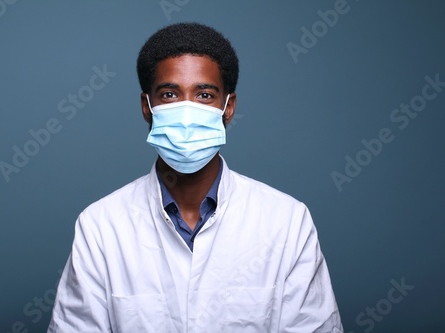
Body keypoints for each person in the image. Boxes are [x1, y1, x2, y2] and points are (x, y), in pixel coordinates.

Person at [48, 22, 343, 332]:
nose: (187, 113)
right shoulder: (100, 227)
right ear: (146, 107)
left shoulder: (287, 223)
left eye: (204, 95)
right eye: (169, 94)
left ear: (228, 108)